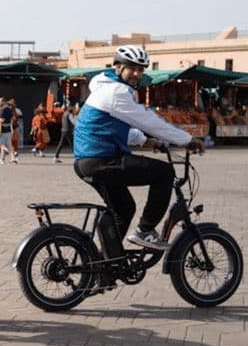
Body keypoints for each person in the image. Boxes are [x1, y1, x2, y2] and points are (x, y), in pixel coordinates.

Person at [73, 45, 204, 250]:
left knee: (124, 209)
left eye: (141, 69)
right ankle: (145, 230)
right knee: (164, 172)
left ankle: (106, 265)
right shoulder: (116, 91)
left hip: (88, 161)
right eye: (131, 67)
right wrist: (186, 139)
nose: (136, 73)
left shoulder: (106, 88)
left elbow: (116, 126)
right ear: (117, 66)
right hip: (101, 160)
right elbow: (148, 121)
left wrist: (146, 142)